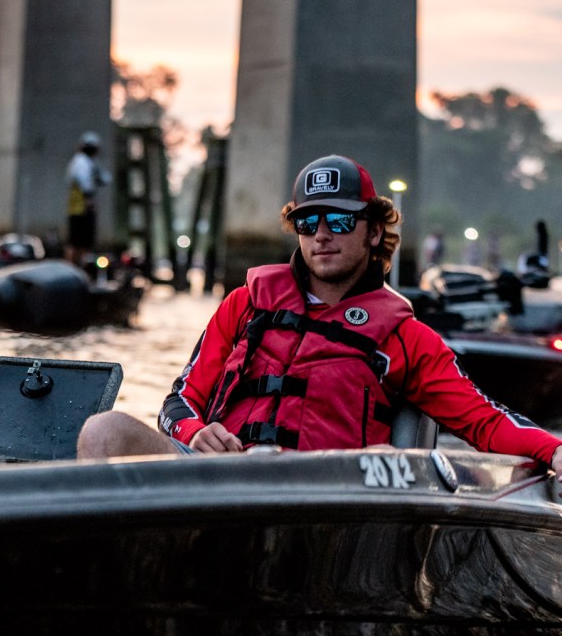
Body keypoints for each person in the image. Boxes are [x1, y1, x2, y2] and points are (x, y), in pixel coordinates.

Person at [77, 154, 562, 476]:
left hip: (319, 492)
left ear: (374, 231)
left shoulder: (406, 337)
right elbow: (178, 403)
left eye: (340, 219)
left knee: (384, 460)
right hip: (215, 479)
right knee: (104, 430)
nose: (322, 234)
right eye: (308, 221)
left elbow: (484, 419)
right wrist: (196, 433)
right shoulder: (244, 304)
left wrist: (554, 449)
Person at [65, 131, 111, 265]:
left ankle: (78, 266)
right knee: (78, 242)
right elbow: (85, 184)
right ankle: (75, 267)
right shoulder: (81, 162)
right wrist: (89, 200)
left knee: (81, 242)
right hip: (80, 209)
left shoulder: (89, 162)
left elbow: (104, 178)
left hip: (81, 209)